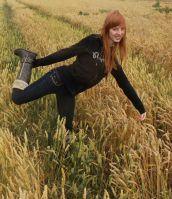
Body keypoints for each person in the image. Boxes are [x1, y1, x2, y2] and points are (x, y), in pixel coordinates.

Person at [11, 10, 146, 133]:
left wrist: (140, 107)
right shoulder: (92, 41)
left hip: (69, 92)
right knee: (17, 98)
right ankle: (27, 60)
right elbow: (66, 53)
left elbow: (124, 84)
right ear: (107, 29)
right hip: (57, 79)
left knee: (66, 131)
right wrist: (38, 63)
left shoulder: (112, 60)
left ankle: (63, 155)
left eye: (122, 29)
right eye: (115, 29)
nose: (119, 33)